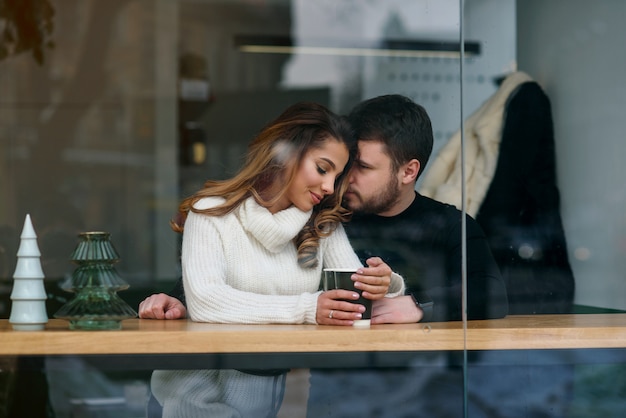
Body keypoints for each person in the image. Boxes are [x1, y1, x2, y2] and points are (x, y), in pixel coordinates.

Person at [148, 101, 405, 418]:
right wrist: (308, 308)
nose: (328, 187)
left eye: (336, 177)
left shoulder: (322, 225)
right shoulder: (211, 211)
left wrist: (385, 284)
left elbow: (353, 301)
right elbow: (206, 302)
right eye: (323, 169)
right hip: (190, 397)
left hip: (264, 404)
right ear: (286, 153)